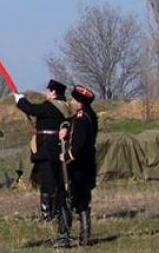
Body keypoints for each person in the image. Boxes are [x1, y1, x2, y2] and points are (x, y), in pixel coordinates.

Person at [15, 79, 74, 248]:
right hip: (54, 150)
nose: (46, 93)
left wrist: (19, 99)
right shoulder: (64, 107)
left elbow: (31, 109)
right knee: (52, 182)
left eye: (48, 90)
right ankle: (51, 212)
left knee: (49, 184)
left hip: (48, 151)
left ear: (54, 92)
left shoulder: (52, 106)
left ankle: (49, 214)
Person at [59, 85, 98, 246]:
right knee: (82, 199)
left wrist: (66, 156)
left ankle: (65, 237)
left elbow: (79, 146)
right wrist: (66, 127)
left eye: (74, 100)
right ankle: (84, 236)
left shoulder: (82, 119)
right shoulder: (88, 115)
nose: (71, 101)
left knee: (71, 198)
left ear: (80, 103)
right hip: (86, 164)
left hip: (79, 165)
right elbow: (71, 121)